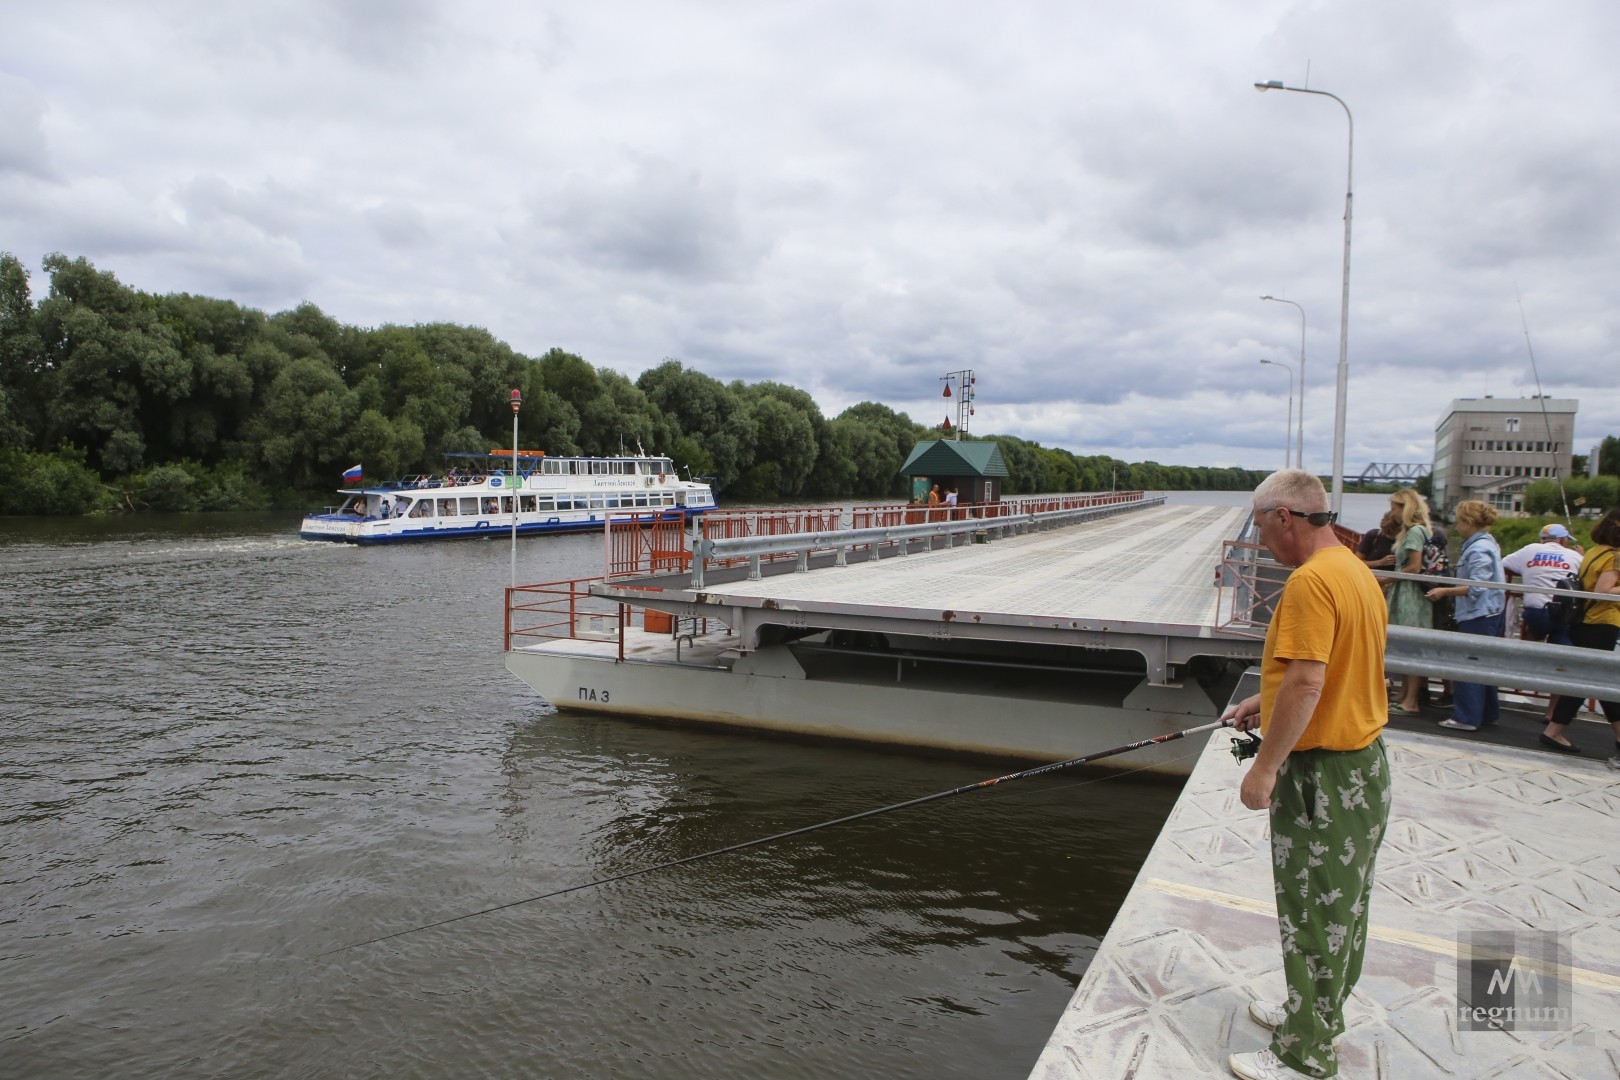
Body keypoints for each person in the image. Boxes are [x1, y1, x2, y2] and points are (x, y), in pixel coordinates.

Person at [1221, 469, 1390, 1080]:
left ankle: (1305, 1054)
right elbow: (1332, 668)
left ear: (1284, 517)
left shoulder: (1310, 583)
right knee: (1343, 908)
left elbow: (1309, 680)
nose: (1263, 540)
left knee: (1314, 912)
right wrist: (1264, 702)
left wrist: (1263, 768)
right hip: (1363, 766)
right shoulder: (1352, 569)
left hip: (1324, 774)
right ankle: (1309, 1013)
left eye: (1263, 526)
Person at [1541, 507, 1620, 761]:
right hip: (1602, 623)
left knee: (1595, 680)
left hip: (1585, 622)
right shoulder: (1615, 557)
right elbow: (1604, 590)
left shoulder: (1594, 552)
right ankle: (1554, 731)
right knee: (1597, 680)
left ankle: (1555, 730)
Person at [1424, 501, 1505, 732]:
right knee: (1483, 666)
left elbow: (1477, 586)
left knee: (1467, 665)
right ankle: (1488, 713)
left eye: (1458, 522)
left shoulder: (1478, 548)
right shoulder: (1487, 543)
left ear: (1468, 523)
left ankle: (1466, 717)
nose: (1456, 526)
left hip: (1478, 614)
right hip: (1491, 612)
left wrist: (1445, 591)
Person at [1384, 488, 1432, 713]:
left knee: (1411, 646)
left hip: (1409, 595)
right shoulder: (1415, 531)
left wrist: (1386, 579)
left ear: (1405, 509)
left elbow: (1414, 566)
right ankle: (1404, 694)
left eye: (1394, 507)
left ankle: (1410, 700)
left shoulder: (1414, 532)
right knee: (1405, 645)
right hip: (1404, 592)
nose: (1391, 512)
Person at [1502, 524, 1583, 647]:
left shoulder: (1529, 549)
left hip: (1536, 612)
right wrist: (1582, 555)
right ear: (1563, 540)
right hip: (1563, 613)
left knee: (1532, 639)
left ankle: (1527, 655)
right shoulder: (1575, 556)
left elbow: (1503, 564)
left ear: (1542, 539)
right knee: (1563, 641)